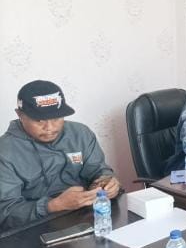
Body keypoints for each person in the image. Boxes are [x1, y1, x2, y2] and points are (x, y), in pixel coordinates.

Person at [0, 80, 120, 231]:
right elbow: (5, 213)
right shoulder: (5, 151)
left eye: (56, 118)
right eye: (39, 120)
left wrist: (106, 182)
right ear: (20, 115)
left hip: (85, 217)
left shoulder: (80, 134)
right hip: (34, 228)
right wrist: (52, 205)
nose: (50, 127)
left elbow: (98, 170)